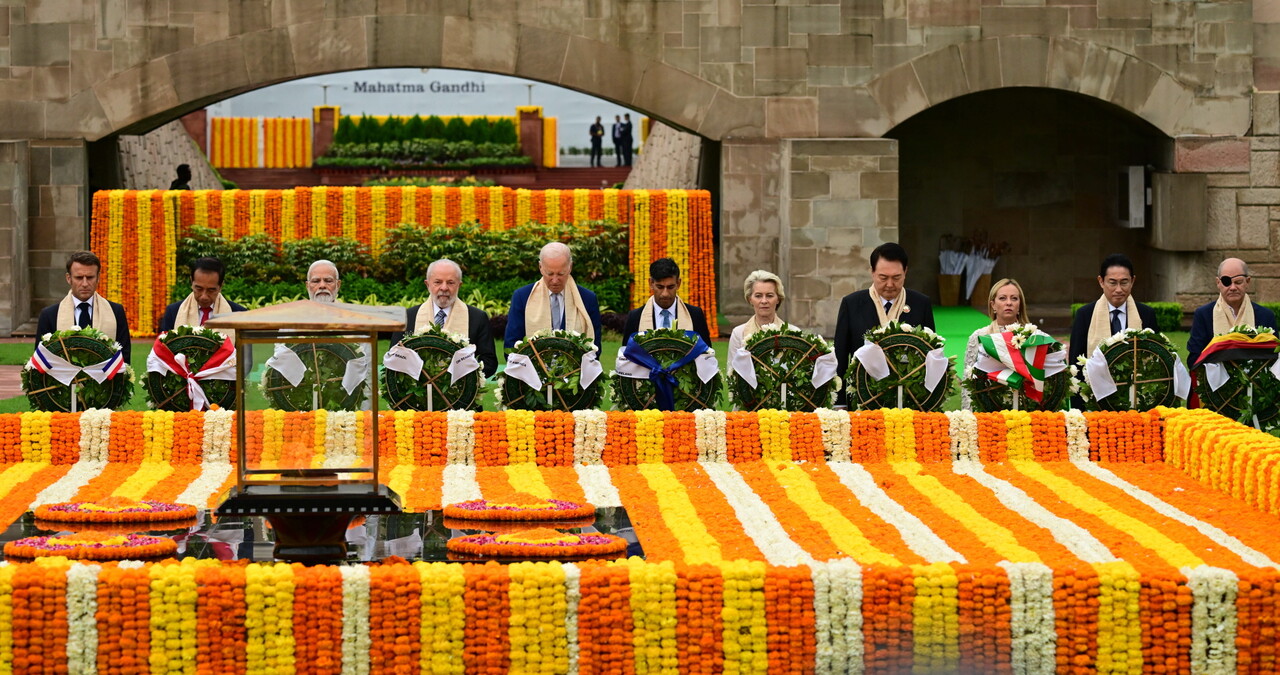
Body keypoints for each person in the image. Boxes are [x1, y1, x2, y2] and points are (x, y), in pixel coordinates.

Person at [833, 242, 936, 407]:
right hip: (862, 397)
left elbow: (931, 354)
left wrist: (928, 401)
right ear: (872, 273)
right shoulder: (852, 304)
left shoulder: (920, 303)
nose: (890, 284)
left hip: (909, 399)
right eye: (883, 277)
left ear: (905, 272)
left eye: (896, 278)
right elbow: (840, 355)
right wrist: (840, 403)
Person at [389, 259, 498, 378]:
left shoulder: (478, 317)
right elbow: (393, 358)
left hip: (460, 393)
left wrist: (465, 377)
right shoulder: (408, 317)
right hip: (417, 392)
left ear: (459, 285)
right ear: (427, 284)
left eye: (451, 282)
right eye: (438, 282)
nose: (444, 288)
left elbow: (489, 363)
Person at [35, 251, 133, 364]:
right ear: (68, 278)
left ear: (98, 278)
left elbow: (124, 358)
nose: (85, 283)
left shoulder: (116, 311)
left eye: (90, 277)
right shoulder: (50, 315)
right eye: (79, 277)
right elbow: (40, 360)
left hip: (105, 380)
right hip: (62, 381)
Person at [505, 242, 603, 353]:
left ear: (570, 267)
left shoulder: (587, 299)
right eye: (550, 274)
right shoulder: (522, 297)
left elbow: (595, 348)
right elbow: (511, 346)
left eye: (561, 274)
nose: (555, 280)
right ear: (540, 267)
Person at [1067, 253, 1159, 366]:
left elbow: (1156, 357)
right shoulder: (1085, 315)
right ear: (1101, 281)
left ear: (1132, 281)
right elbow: (1075, 362)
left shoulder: (1146, 314)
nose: (1119, 289)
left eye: (1124, 283)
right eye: (1113, 283)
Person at [1187, 258, 1277, 365]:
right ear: (1218, 283)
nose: (1233, 287)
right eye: (1227, 282)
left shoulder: (1266, 316)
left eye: (1238, 282)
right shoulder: (1203, 315)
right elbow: (1194, 359)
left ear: (1247, 282)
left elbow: (1275, 358)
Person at [961, 278, 1031, 411]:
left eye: (1014, 298)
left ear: (1020, 305)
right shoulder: (979, 336)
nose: (1009, 303)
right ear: (993, 305)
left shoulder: (1032, 336)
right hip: (987, 410)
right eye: (1003, 298)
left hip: (1024, 410)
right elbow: (968, 381)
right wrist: (968, 415)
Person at [622, 258, 712, 346]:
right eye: (660, 287)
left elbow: (707, 354)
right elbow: (625, 357)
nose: (665, 294)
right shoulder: (635, 317)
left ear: (678, 283)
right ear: (651, 283)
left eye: (670, 287)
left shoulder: (695, 315)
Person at [159, 257, 247, 333]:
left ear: (221, 286)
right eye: (199, 288)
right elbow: (163, 349)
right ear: (191, 282)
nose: (204, 296)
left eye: (211, 290)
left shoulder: (238, 314)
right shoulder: (173, 312)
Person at [729, 271, 792, 353]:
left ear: (778, 299)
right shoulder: (738, 334)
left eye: (769, 295)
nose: (764, 301)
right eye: (758, 296)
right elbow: (732, 365)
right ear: (750, 299)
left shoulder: (792, 333)